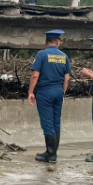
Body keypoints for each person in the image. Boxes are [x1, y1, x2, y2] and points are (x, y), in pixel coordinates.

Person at [28, 30, 71, 163]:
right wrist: (62, 92)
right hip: (58, 90)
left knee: (47, 123)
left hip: (45, 92)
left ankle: (51, 155)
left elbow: (35, 75)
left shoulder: (41, 55)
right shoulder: (64, 56)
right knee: (56, 122)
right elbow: (67, 78)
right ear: (58, 42)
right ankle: (52, 152)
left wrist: (30, 92)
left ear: (46, 42)